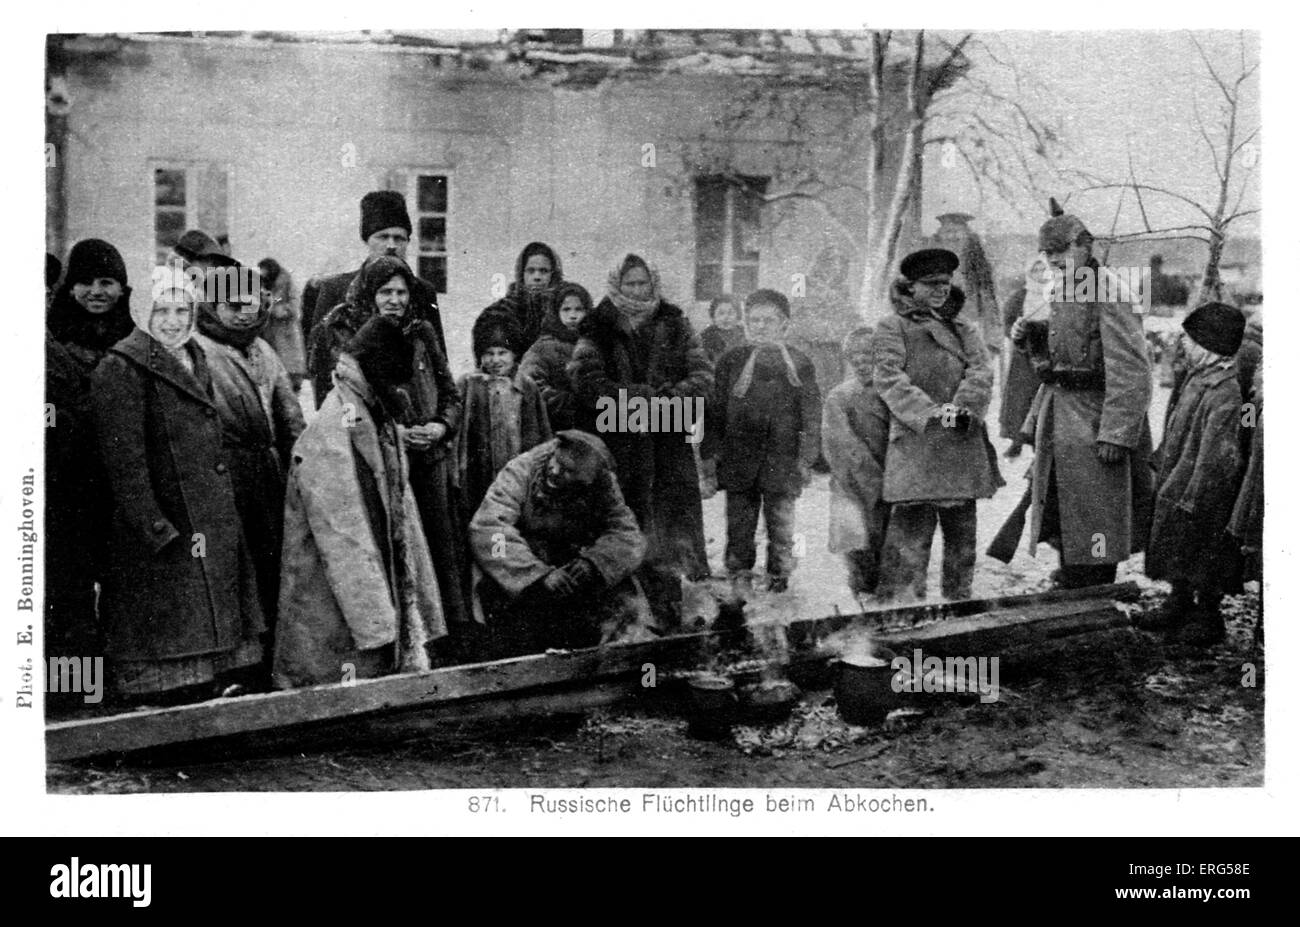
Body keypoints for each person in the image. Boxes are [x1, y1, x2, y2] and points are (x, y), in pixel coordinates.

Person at [92, 267, 265, 704]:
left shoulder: (195, 356)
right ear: (142, 312)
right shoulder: (121, 367)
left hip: (206, 518)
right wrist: (154, 527)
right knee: (171, 633)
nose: (172, 320)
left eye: (182, 309)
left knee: (210, 626)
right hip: (165, 524)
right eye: (162, 310)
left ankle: (213, 686)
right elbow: (124, 463)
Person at [274, 316, 448, 688]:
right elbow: (341, 536)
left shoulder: (372, 413)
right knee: (329, 675)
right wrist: (378, 623)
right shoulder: (331, 428)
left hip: (371, 580)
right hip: (333, 598)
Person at [999, 204, 1154, 588]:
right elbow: (1061, 352)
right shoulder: (1064, 289)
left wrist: (1117, 433)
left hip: (1095, 417)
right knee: (1062, 499)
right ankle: (1073, 570)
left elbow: (1132, 370)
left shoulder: (1110, 292)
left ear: (1086, 247)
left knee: (1099, 507)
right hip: (1061, 415)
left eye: (1060, 252)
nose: (1053, 260)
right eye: (1047, 254)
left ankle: (1096, 580)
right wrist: (1028, 338)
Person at [570, 253, 714, 623]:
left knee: (670, 531)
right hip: (622, 446)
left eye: (643, 283)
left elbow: (701, 377)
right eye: (630, 284)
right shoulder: (597, 326)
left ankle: (670, 613)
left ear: (654, 283)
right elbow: (586, 381)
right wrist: (638, 402)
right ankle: (624, 616)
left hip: (667, 447)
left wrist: (667, 403)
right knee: (623, 523)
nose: (637, 290)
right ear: (618, 285)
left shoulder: (676, 322)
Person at [347, 256, 473, 632]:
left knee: (440, 549)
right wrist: (394, 434)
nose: (394, 300)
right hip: (387, 460)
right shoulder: (358, 338)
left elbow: (451, 393)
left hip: (430, 459)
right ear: (372, 295)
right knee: (397, 549)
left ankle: (447, 634)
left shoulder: (422, 334)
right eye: (386, 292)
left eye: (401, 292)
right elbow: (349, 404)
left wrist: (440, 426)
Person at [873, 248, 1002, 602]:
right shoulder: (892, 326)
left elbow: (981, 371)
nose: (941, 289)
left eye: (945, 283)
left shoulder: (964, 329)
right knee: (910, 539)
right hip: (918, 443)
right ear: (910, 287)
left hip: (961, 440)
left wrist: (963, 408)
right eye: (931, 284)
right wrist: (932, 413)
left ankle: (958, 603)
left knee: (962, 538)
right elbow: (888, 377)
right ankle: (904, 609)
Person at [193, 261, 306, 642]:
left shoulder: (264, 351)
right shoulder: (201, 352)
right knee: (231, 565)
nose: (242, 314)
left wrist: (296, 462)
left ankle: (273, 650)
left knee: (271, 558)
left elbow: (288, 413)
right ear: (212, 307)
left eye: (249, 305)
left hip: (267, 471)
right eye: (231, 306)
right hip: (225, 473)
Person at [469, 430, 656, 657]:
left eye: (569, 472)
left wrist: (594, 562)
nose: (556, 471)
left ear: (588, 480)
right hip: (521, 569)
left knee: (624, 585)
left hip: (571, 563)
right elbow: (491, 528)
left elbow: (627, 534)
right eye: (557, 462)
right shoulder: (521, 469)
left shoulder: (603, 483)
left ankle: (628, 651)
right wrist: (536, 574)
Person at [702, 289, 821, 595]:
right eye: (754, 320)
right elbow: (714, 412)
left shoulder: (799, 363)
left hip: (783, 462)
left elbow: (811, 416)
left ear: (784, 324)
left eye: (769, 320)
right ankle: (739, 579)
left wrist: (806, 459)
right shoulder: (731, 360)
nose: (760, 326)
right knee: (740, 526)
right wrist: (709, 459)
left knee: (782, 528)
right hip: (739, 461)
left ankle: (779, 581)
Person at [1143, 302, 1248, 645]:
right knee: (1179, 545)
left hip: (1203, 493)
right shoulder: (1197, 379)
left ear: (1210, 346)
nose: (1183, 345)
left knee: (1205, 551)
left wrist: (1195, 495)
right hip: (1179, 480)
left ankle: (1208, 616)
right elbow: (1176, 422)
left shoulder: (1225, 392)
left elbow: (1216, 457)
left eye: (1189, 339)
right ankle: (1179, 600)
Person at [300, 190, 446, 366]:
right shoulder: (335, 288)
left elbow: (439, 360)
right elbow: (318, 360)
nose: (391, 245)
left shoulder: (422, 291)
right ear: (367, 240)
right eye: (383, 237)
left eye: (399, 238)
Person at [456, 313, 552, 518]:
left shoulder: (527, 387)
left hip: (518, 475)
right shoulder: (469, 385)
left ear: (514, 354)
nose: (496, 360)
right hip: (478, 476)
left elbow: (543, 433)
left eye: (502, 352)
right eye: (489, 353)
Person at [822, 326, 891, 605]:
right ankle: (860, 599)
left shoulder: (893, 394)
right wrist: (870, 475)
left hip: (890, 483)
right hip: (851, 484)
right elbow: (839, 444)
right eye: (855, 357)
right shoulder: (839, 396)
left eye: (869, 355)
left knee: (887, 544)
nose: (862, 362)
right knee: (856, 542)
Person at [47, 238, 134, 376]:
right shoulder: (53, 338)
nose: (96, 292)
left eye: (106, 283)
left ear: (121, 289)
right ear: (71, 289)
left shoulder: (137, 333)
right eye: (85, 282)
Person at [518, 281, 591, 432]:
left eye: (579, 309)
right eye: (566, 309)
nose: (573, 316)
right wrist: (569, 404)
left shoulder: (595, 344)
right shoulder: (543, 348)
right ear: (556, 312)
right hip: (556, 429)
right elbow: (530, 385)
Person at [925, 212, 1001, 353]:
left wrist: (993, 336)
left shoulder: (978, 263)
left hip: (969, 318)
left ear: (967, 234)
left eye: (958, 232)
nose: (953, 237)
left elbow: (988, 298)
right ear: (940, 235)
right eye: (948, 232)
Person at [476, 241, 565, 354]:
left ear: (553, 275)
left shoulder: (567, 309)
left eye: (544, 271)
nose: (537, 277)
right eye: (530, 271)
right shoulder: (500, 312)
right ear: (521, 274)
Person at [257, 257, 307, 392]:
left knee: (291, 373)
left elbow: (296, 303)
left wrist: (283, 309)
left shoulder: (287, 281)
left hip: (286, 332)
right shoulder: (259, 283)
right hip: (267, 333)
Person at [699, 294, 745, 364]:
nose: (726, 317)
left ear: (738, 315)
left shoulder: (745, 335)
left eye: (730, 313)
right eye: (721, 313)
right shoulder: (706, 337)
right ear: (713, 317)